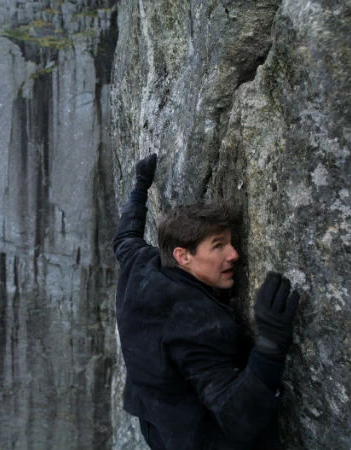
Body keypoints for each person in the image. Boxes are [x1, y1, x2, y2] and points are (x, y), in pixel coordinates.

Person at [113, 153, 300, 450]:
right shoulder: (197, 323)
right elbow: (238, 416)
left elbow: (125, 238)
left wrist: (140, 187)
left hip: (156, 423)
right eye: (218, 246)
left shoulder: (142, 262)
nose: (234, 255)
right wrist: (271, 344)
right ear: (182, 256)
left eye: (230, 243)